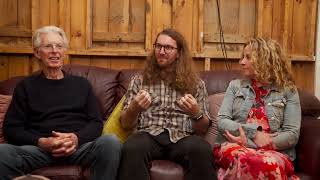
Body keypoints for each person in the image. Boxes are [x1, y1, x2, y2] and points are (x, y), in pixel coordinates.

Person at [0, 26, 121, 180]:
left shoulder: (81, 85)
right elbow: (12, 128)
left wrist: (76, 139)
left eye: (59, 46)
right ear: (37, 52)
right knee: (1, 153)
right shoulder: (26, 86)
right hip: (40, 150)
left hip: (78, 149)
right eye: (48, 46)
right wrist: (42, 142)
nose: (54, 51)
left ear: (64, 52)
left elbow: (96, 123)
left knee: (110, 142)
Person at [118, 28, 217, 180]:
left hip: (182, 137)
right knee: (132, 146)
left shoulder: (196, 84)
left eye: (168, 48)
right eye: (158, 46)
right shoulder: (139, 80)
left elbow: (203, 129)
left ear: (178, 53)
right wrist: (134, 107)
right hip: (149, 135)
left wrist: (195, 112)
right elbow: (125, 124)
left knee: (201, 148)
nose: (162, 51)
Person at [214, 37, 301, 179]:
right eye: (242, 57)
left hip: (274, 151)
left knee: (265, 163)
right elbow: (222, 121)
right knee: (243, 160)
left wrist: (259, 145)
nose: (241, 62)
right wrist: (253, 134)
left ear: (264, 60)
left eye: (248, 57)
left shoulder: (288, 91)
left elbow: (292, 134)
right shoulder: (235, 86)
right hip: (236, 145)